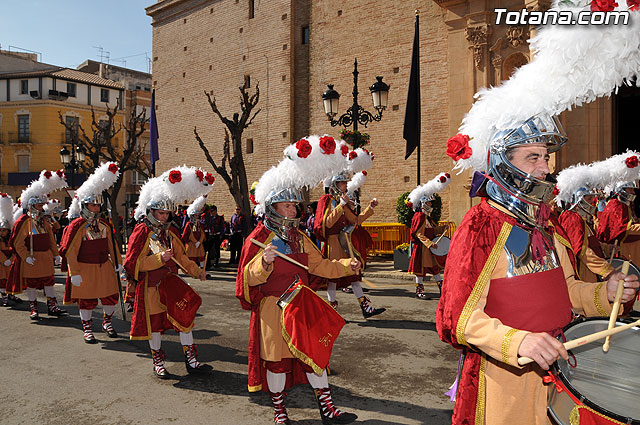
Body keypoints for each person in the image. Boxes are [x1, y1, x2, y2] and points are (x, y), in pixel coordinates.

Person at [437, 113, 640, 424]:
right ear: (504, 162)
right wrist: (519, 341)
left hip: (562, 365)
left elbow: (567, 290)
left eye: (545, 157)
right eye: (533, 158)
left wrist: (606, 292)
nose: (545, 168)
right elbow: (458, 318)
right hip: (505, 379)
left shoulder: (547, 223)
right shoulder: (481, 225)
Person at [237, 134, 359, 424]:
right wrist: (264, 263)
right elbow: (246, 279)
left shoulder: (301, 238)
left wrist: (346, 266)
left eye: (295, 206)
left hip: (301, 303)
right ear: (272, 208)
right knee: (277, 364)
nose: (293, 210)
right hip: (272, 309)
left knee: (315, 354)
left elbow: (322, 266)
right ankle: (280, 411)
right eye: (287, 206)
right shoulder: (257, 239)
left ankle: (328, 409)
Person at [124, 166, 213, 378]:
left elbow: (181, 257)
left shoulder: (171, 232)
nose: (164, 217)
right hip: (151, 288)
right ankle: (158, 362)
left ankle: (191, 360)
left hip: (171, 284)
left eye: (166, 213)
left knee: (185, 319)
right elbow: (132, 263)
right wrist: (158, 259)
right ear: (151, 212)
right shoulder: (141, 232)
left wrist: (196, 271)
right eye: (160, 213)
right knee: (155, 326)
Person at [59, 163, 122, 343]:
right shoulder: (77, 226)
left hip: (105, 267)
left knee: (110, 297)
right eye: (92, 205)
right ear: (85, 205)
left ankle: (107, 323)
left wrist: (118, 262)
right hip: (85, 268)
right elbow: (71, 251)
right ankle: (87, 328)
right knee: (86, 301)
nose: (96, 208)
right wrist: (74, 273)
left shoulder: (104, 225)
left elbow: (112, 245)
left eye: (97, 205)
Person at [314, 172, 384, 318]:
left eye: (346, 182)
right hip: (333, 244)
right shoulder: (327, 200)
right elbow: (327, 223)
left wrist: (370, 208)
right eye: (343, 183)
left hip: (345, 243)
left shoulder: (342, 201)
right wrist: (341, 205)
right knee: (333, 277)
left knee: (353, 274)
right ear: (335, 185)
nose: (346, 185)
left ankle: (365, 307)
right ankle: (333, 310)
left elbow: (356, 220)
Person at [6, 170, 68, 319]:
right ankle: (34, 308)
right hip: (32, 257)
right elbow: (17, 242)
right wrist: (26, 256)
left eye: (42, 206)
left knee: (49, 281)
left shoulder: (45, 220)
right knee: (32, 284)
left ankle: (52, 306)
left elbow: (51, 239)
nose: (41, 208)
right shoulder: (23, 222)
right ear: (32, 206)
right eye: (39, 206)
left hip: (45, 256)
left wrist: (56, 254)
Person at [407, 173, 451, 299]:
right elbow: (419, 234)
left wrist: (442, 228)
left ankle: (442, 289)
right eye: (429, 203)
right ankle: (419, 291)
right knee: (420, 270)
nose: (431, 205)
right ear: (423, 203)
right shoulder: (420, 216)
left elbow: (431, 229)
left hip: (429, 247)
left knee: (435, 268)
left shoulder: (426, 217)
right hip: (423, 248)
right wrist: (430, 243)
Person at [0, 193, 20, 307]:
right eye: (0, 230)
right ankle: (4, 297)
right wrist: (4, 260)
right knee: (2, 281)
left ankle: (11, 294)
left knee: (10, 280)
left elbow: (15, 250)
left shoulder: (11, 240)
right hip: (2, 264)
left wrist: (11, 259)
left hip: (10, 263)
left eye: (4, 230)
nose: (2, 232)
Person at [182, 196, 208, 269]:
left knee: (201, 255)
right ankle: (191, 269)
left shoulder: (200, 224)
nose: (197, 217)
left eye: (198, 215)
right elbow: (188, 234)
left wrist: (200, 241)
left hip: (199, 243)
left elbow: (202, 233)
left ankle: (201, 269)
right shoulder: (189, 224)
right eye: (195, 215)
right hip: (191, 244)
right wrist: (195, 241)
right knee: (191, 256)